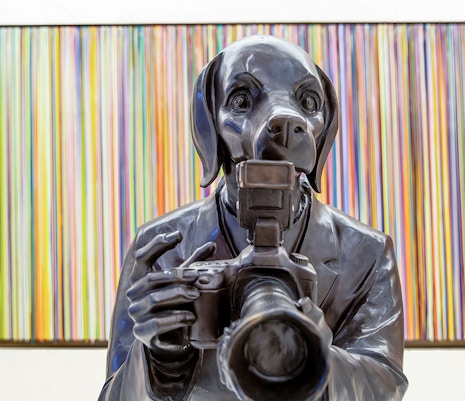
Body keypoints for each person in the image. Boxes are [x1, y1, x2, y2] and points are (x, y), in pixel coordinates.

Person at [99, 35, 408, 401]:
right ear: (209, 123)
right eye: (242, 101)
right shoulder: (161, 249)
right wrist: (160, 363)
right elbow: (113, 396)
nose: (285, 120)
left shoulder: (368, 253)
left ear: (325, 128)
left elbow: (384, 385)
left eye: (307, 102)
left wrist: (316, 361)